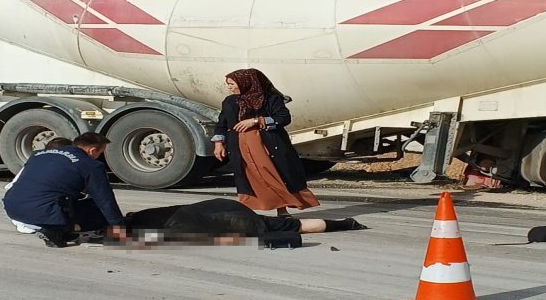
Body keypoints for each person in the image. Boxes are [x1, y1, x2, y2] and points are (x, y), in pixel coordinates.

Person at [212, 68, 318, 217]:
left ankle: (282, 210)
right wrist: (218, 143)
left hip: (265, 146)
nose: (229, 87)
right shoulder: (229, 101)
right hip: (240, 147)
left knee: (271, 174)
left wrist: (256, 121)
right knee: (248, 177)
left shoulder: (270, 99)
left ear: (246, 83)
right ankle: (247, 211)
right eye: (228, 84)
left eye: (232, 84)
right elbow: (222, 123)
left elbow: (284, 118)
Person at [3, 132, 126, 248]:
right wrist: (119, 228)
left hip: (13, 209)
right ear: (93, 150)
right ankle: (59, 230)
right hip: (44, 211)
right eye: (100, 153)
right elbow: (105, 200)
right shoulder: (91, 165)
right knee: (98, 213)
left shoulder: (38, 155)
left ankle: (53, 226)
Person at [122, 198, 366, 248]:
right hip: (226, 209)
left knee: (293, 228)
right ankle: (346, 223)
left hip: (232, 226)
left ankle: (345, 224)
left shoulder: (156, 231)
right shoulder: (150, 213)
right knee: (290, 225)